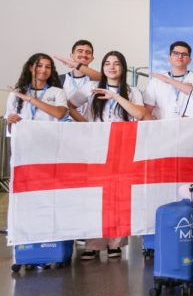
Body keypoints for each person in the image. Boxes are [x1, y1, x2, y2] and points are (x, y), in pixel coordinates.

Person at [70, 51, 145, 260]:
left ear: (123, 67)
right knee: (95, 196)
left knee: (120, 196)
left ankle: (115, 243)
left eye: (116, 63)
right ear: (102, 68)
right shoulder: (91, 88)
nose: (112, 67)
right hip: (97, 148)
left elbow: (140, 114)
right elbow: (69, 106)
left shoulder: (132, 91)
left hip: (124, 148)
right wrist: (86, 125)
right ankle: (92, 244)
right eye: (107, 64)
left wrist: (116, 96)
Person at [4, 53, 68, 135]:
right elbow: (10, 129)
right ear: (30, 68)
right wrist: (10, 121)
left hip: (49, 138)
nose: (43, 70)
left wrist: (31, 99)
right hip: (23, 138)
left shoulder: (58, 92)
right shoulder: (17, 92)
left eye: (48, 67)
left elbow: (59, 114)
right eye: (39, 66)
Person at [143, 41, 193, 120]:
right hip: (164, 126)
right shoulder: (156, 80)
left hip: (190, 125)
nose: (180, 56)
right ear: (169, 57)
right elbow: (147, 111)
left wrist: (168, 80)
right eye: (176, 53)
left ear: (190, 59)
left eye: (184, 54)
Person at [55, 40, 99, 118]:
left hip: (89, 124)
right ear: (72, 55)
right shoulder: (60, 79)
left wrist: (76, 65)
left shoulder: (95, 79)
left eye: (88, 52)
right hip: (65, 123)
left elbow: (104, 78)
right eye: (80, 51)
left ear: (92, 58)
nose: (84, 55)